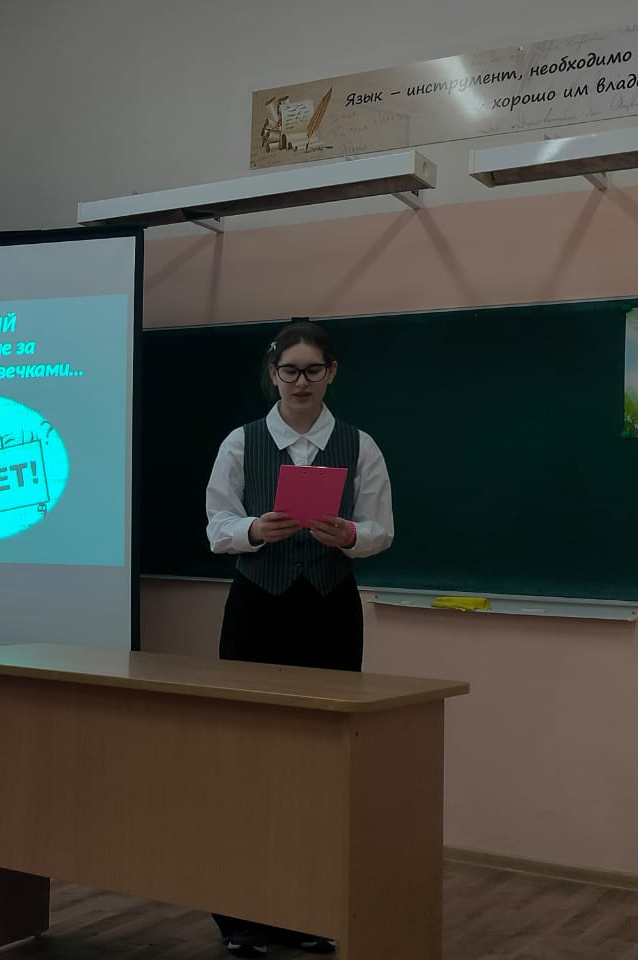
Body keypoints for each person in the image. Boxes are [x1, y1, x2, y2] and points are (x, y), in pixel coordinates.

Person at [203, 318, 394, 957]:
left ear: (331, 373)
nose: (302, 382)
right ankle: (241, 916)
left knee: (324, 759)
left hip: (329, 608)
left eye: (314, 370)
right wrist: (255, 530)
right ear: (274, 373)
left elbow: (381, 529)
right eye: (290, 371)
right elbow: (217, 525)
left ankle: (313, 909)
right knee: (248, 753)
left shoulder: (360, 444)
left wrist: (352, 536)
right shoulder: (242, 441)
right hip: (257, 606)